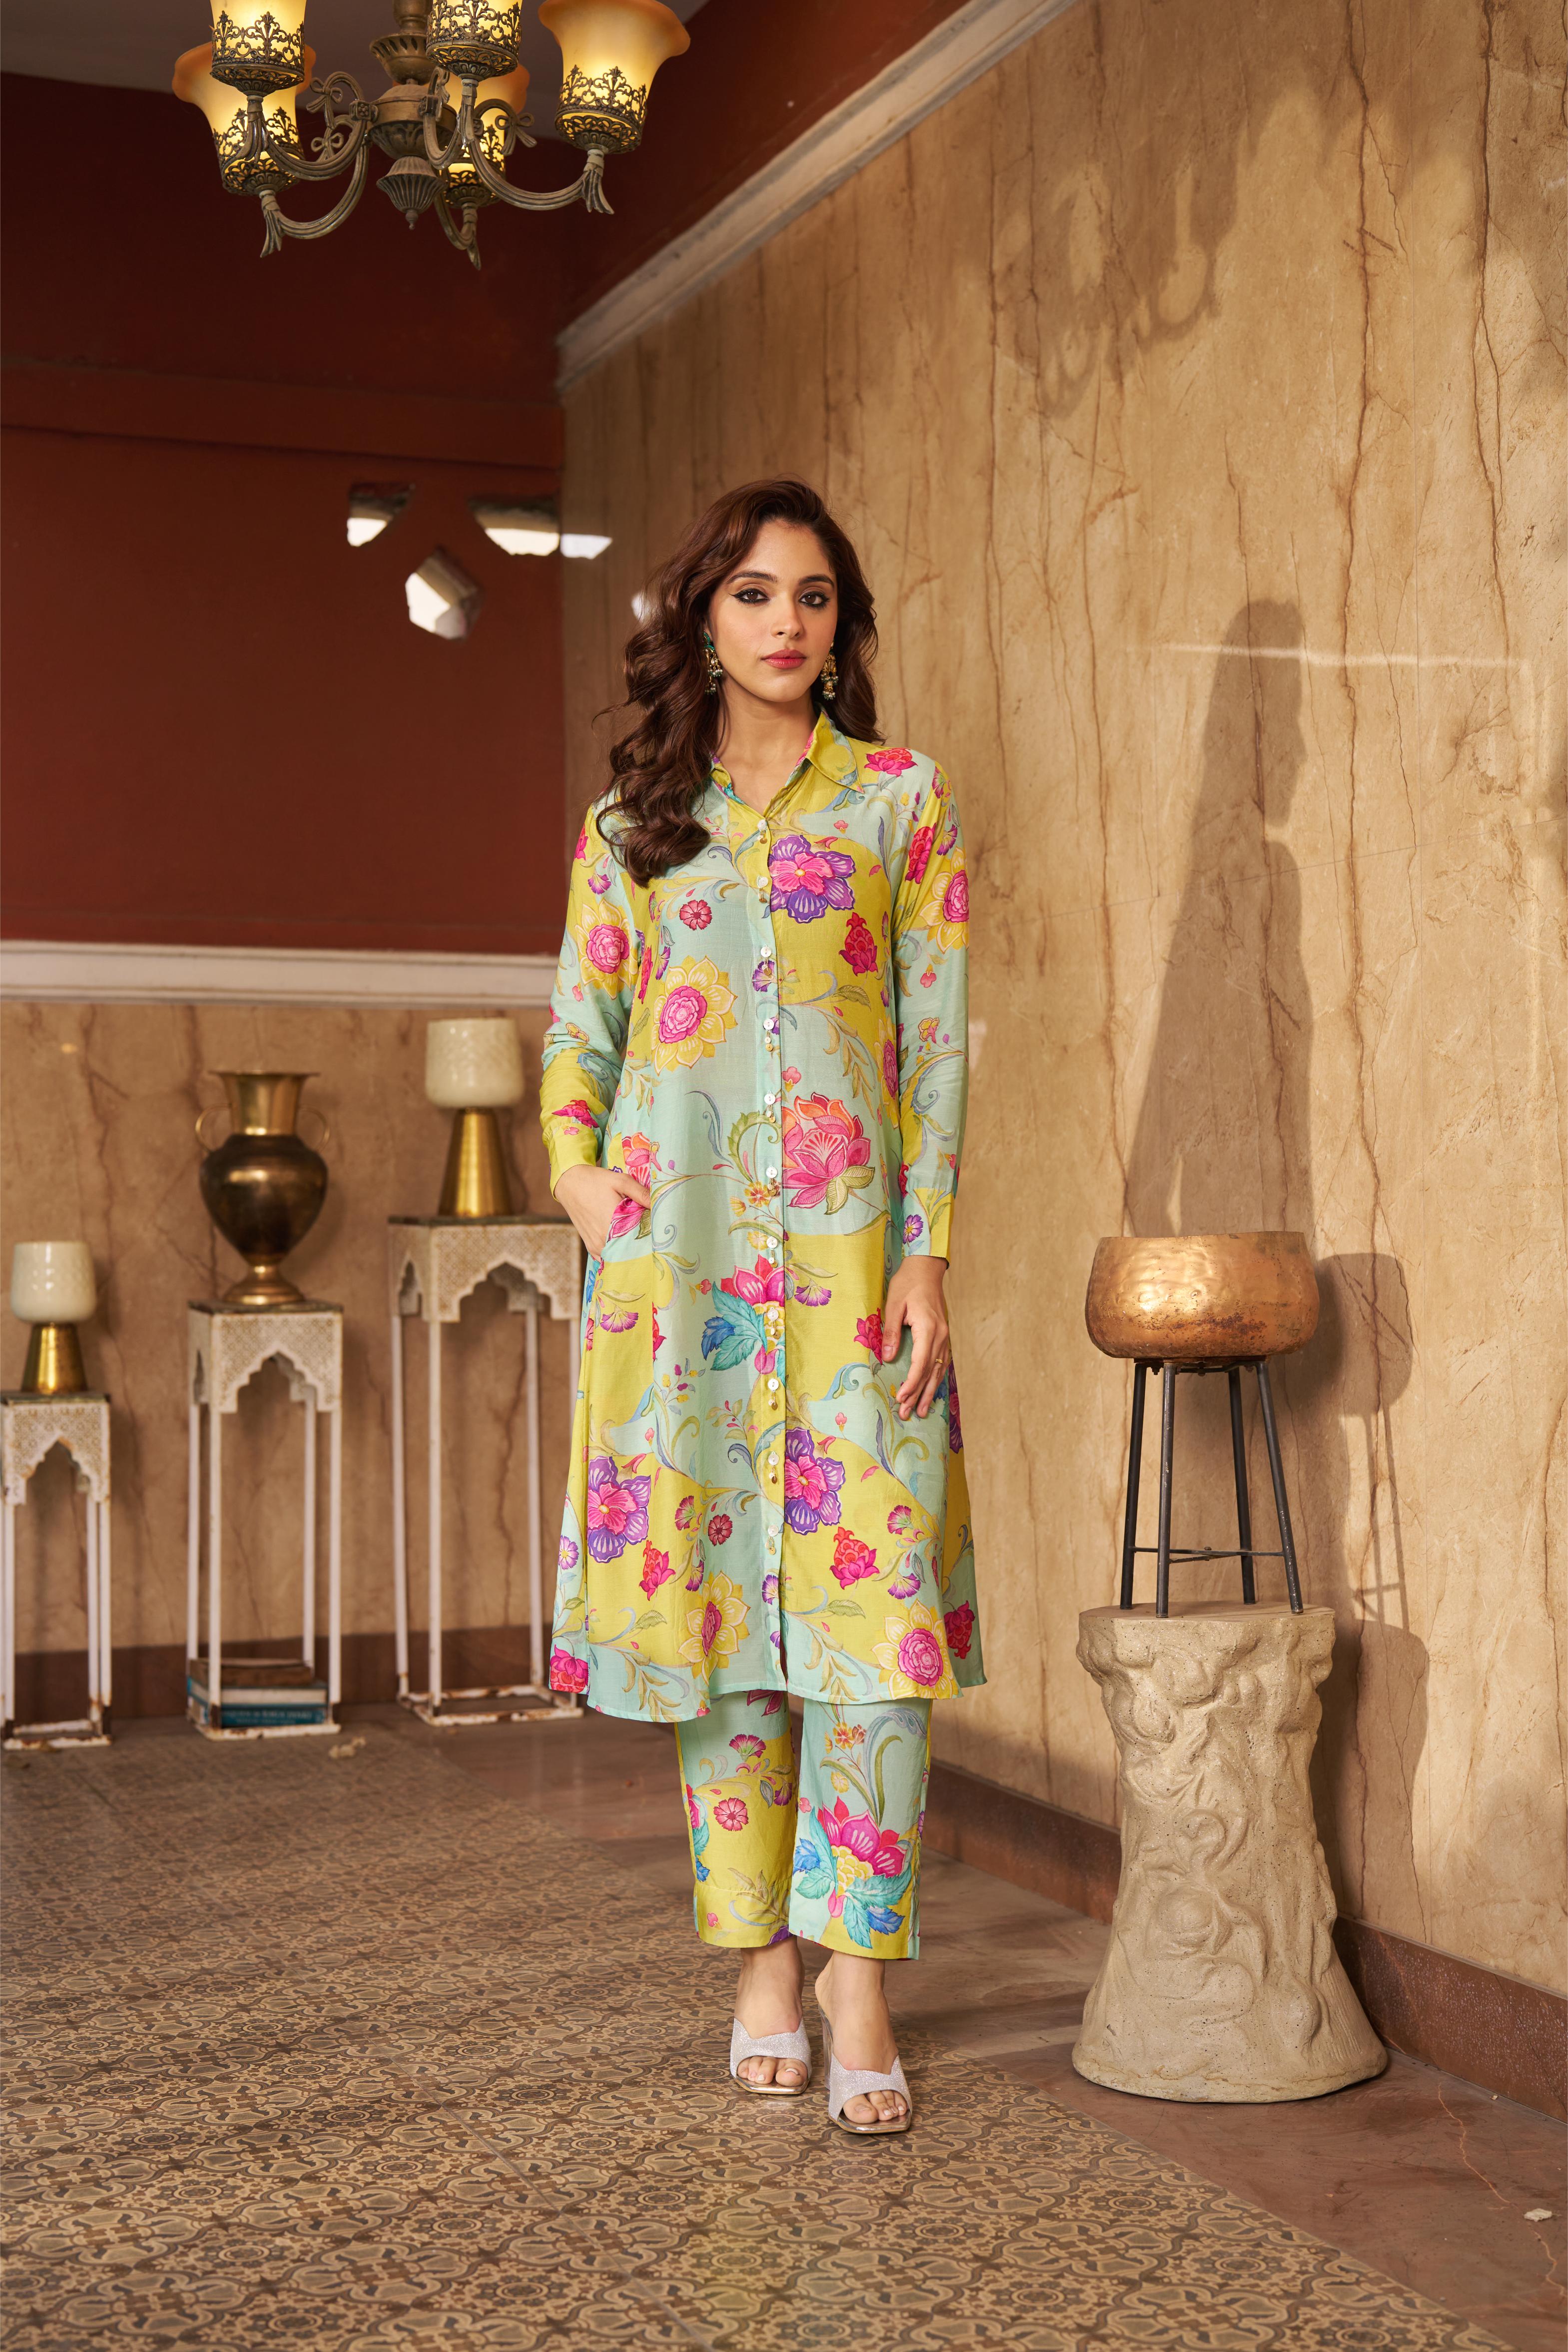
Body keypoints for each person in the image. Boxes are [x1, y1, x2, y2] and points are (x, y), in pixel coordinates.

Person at [540, 478, 982, 2135]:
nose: (784, 622)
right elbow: (577, 1039)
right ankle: (759, 1968)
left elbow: (934, 1046)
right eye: (751, 593)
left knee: (877, 1633)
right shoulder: (630, 827)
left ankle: (859, 1974)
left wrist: (926, 1251)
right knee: (722, 1630)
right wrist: (586, 1188)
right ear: (701, 618)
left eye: (811, 596)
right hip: (685, 1286)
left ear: (840, 625)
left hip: (857, 1281)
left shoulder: (899, 802)